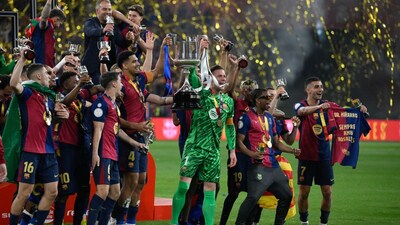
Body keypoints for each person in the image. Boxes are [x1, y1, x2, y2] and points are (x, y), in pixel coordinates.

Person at [5, 48, 69, 225]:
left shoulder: (48, 97)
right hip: (30, 150)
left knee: (52, 192)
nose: (51, 77)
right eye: (47, 75)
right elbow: (13, 83)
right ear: (39, 77)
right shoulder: (27, 93)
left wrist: (63, 115)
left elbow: (46, 120)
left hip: (48, 150)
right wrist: (22, 60)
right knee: (24, 192)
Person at [294, 76, 367, 225]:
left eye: (321, 86)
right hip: (306, 156)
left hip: (324, 156)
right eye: (316, 86)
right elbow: (302, 112)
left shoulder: (329, 106)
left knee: (327, 191)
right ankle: (304, 222)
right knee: (304, 192)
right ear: (308, 90)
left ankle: (323, 223)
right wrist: (319, 108)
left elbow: (343, 113)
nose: (320, 89)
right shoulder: (299, 104)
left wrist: (358, 112)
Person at [112, 44, 172, 225]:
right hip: (127, 137)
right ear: (124, 66)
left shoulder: (138, 83)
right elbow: (113, 116)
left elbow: (159, 73)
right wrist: (136, 125)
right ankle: (116, 218)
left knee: (141, 181)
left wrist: (162, 49)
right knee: (130, 181)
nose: (138, 64)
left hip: (141, 138)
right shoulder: (119, 85)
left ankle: (131, 220)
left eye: (138, 61)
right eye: (134, 61)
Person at [170, 64, 237, 225]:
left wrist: (232, 150)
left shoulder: (228, 101)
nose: (224, 79)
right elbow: (192, 77)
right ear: (210, 79)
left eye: (224, 76)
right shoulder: (201, 95)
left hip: (213, 151)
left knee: (210, 191)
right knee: (184, 188)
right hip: (194, 148)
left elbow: (229, 126)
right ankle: (173, 222)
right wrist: (198, 55)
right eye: (220, 76)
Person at [235, 88, 301, 225]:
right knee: (253, 198)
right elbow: (239, 142)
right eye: (266, 98)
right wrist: (252, 154)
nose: (269, 100)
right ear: (258, 100)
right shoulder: (246, 117)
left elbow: (276, 143)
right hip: (257, 165)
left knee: (286, 196)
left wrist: (292, 150)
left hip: (273, 166)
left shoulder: (270, 118)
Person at [86, 71, 144, 225]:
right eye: (120, 81)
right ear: (113, 83)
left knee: (115, 192)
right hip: (103, 153)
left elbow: (117, 129)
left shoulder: (114, 105)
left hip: (113, 153)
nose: (122, 84)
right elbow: (97, 130)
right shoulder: (101, 103)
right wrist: (95, 154)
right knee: (103, 191)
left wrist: (135, 142)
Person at [219, 79, 258, 225]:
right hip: (237, 155)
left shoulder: (259, 107)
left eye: (253, 89)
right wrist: (236, 68)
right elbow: (229, 90)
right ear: (242, 91)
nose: (250, 92)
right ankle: (223, 222)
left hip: (254, 156)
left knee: (254, 194)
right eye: (247, 90)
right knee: (233, 193)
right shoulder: (237, 103)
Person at [81, 0, 135, 85]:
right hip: (92, 69)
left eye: (109, 9)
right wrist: (103, 30)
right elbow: (90, 31)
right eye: (104, 9)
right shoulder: (91, 22)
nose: (108, 12)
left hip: (109, 68)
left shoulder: (113, 26)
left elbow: (122, 43)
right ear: (97, 11)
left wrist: (128, 39)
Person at [25, 0, 66, 67]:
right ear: (57, 19)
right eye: (60, 23)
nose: (58, 26)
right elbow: (44, 18)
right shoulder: (46, 25)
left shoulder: (50, 29)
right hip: (43, 66)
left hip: (47, 65)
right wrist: (48, 3)